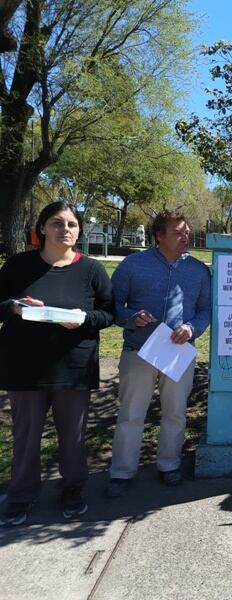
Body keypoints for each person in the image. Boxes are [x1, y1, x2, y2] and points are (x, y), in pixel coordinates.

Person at [0, 201, 115, 525]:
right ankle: (21, 496)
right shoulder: (19, 266)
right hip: (24, 367)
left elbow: (109, 313)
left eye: (71, 224)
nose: (65, 229)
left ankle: (73, 489)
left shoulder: (91, 269)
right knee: (26, 435)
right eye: (56, 223)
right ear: (42, 228)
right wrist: (14, 307)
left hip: (73, 368)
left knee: (73, 436)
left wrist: (84, 320)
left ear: (79, 231)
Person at [105, 210, 211, 497]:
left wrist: (191, 328)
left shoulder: (199, 270)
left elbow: (205, 311)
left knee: (175, 413)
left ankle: (169, 465)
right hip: (139, 351)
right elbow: (112, 306)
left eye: (187, 231)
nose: (185, 237)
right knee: (131, 414)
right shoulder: (132, 265)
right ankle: (122, 472)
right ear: (159, 236)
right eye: (178, 232)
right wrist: (130, 317)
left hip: (178, 353)